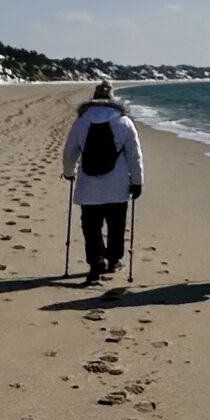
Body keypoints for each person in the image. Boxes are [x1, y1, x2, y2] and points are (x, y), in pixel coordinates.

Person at [60, 80, 143, 284]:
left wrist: (68, 173)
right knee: (116, 225)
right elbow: (134, 155)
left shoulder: (81, 121)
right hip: (117, 185)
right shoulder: (124, 122)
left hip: (89, 186)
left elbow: (70, 152)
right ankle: (113, 259)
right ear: (112, 98)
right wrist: (138, 181)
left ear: (94, 98)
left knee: (91, 227)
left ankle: (95, 262)